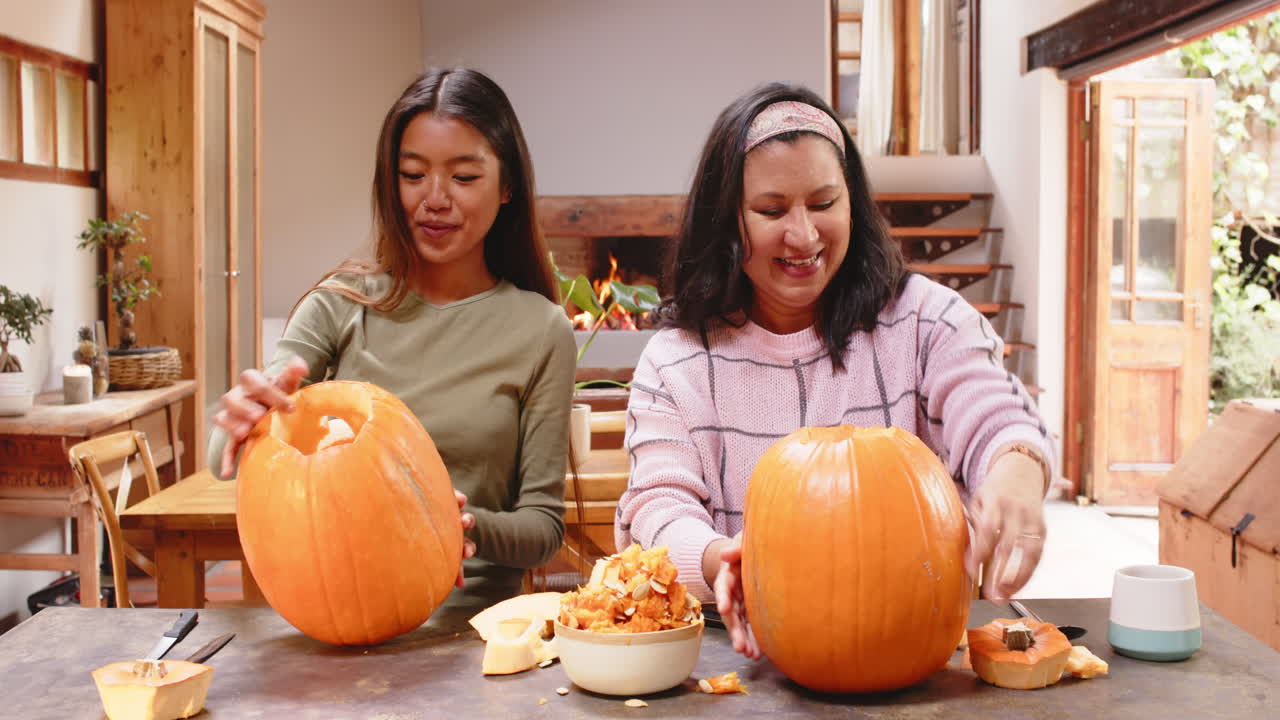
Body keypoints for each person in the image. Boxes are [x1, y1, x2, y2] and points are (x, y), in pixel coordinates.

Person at [614, 84, 1055, 658]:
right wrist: (717, 558)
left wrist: (1016, 467)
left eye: (823, 203)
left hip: (910, 648)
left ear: (853, 202)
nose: (803, 235)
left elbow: (993, 410)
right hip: (737, 658)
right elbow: (658, 504)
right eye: (771, 211)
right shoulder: (676, 360)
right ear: (726, 221)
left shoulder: (924, 319)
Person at [210, 68, 577, 614]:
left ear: (507, 187)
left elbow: (542, 529)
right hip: (338, 614)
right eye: (412, 174)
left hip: (469, 630)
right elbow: (226, 455)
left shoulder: (542, 330)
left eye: (464, 178)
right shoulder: (339, 304)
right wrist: (243, 418)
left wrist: (456, 523)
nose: (434, 199)